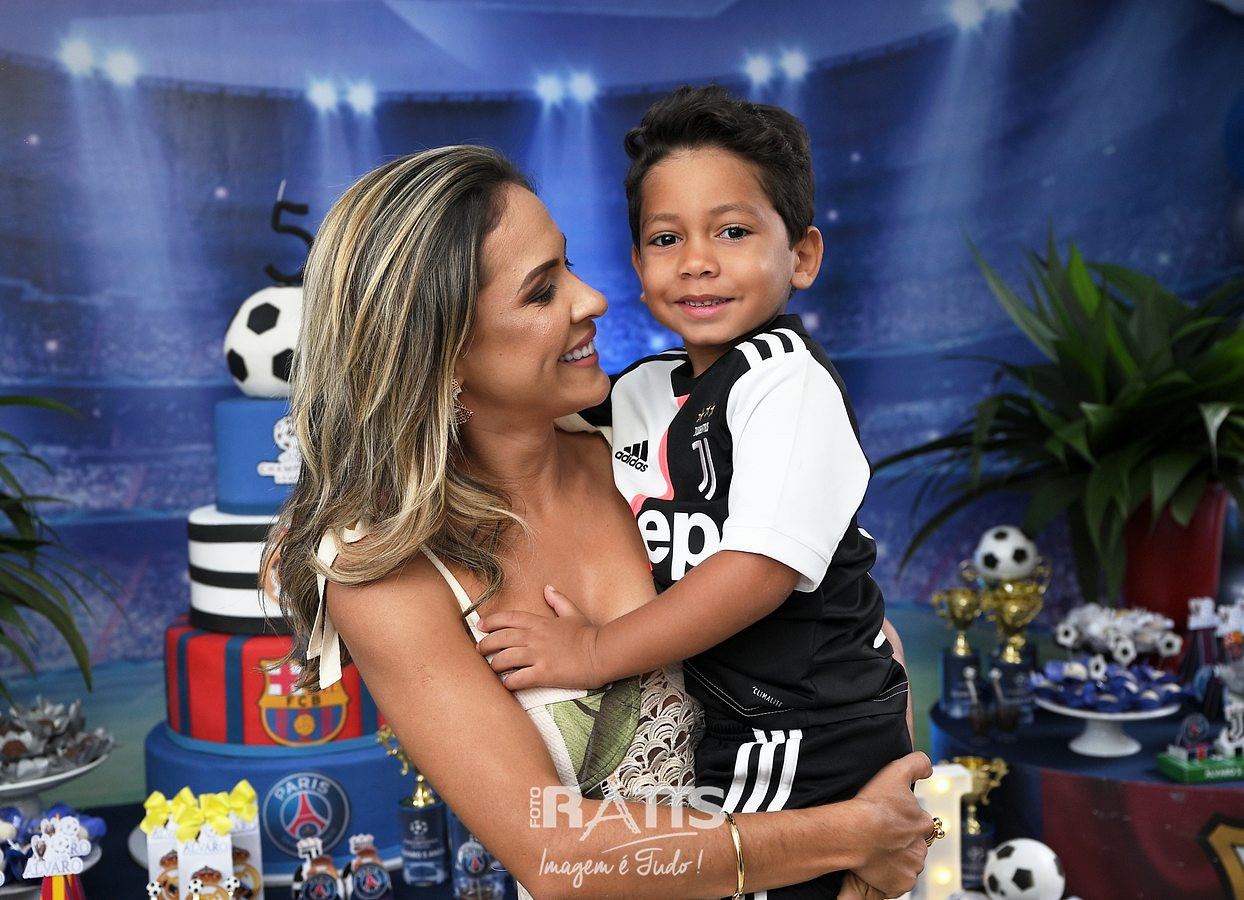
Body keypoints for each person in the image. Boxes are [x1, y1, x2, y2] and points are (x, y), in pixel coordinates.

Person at [269, 143, 934, 899]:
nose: (592, 300)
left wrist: (884, 830)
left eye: (571, 265)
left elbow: (859, 631)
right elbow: (556, 854)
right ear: (440, 354)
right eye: (542, 291)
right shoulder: (386, 574)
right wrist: (847, 835)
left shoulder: (654, 441)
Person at [477, 86, 913, 898]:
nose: (697, 261)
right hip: (738, 719)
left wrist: (594, 651)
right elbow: (510, 418)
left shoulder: (788, 384)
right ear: (638, 265)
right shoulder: (643, 389)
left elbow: (757, 572)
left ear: (803, 256)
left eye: (733, 231)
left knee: (732, 873)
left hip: (806, 722)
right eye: (666, 238)